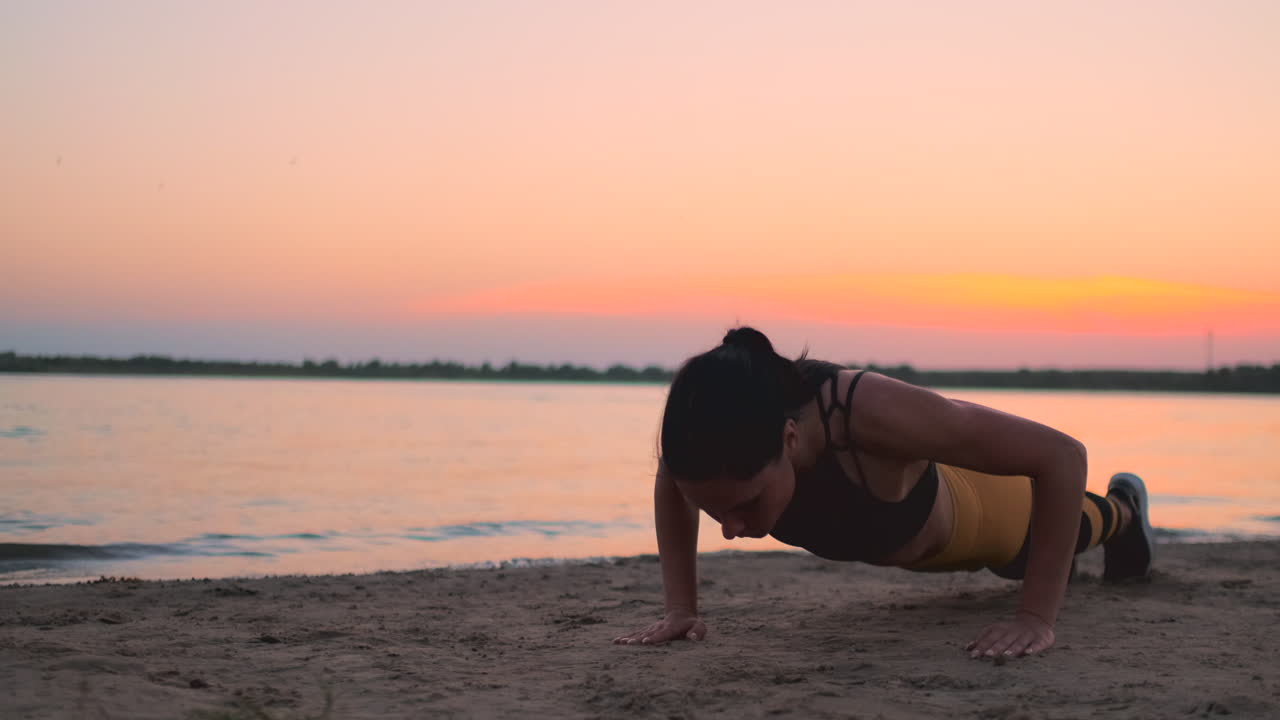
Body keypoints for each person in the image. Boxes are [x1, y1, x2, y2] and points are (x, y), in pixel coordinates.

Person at [612, 327, 1154, 660]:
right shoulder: (710, 448)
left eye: (746, 504)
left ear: (789, 437)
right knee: (1037, 554)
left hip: (987, 513)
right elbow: (673, 480)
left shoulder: (861, 410)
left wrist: (1035, 616)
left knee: (1062, 532)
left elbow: (1061, 457)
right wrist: (681, 608)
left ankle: (1127, 509)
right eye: (717, 512)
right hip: (922, 543)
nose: (731, 529)